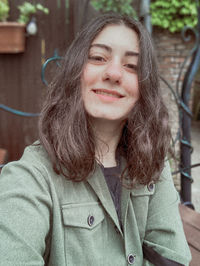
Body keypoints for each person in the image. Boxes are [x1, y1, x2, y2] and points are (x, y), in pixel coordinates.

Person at [0, 13, 191, 266]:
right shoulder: (31, 176)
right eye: (98, 57)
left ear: (144, 88)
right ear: (76, 72)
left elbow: (171, 259)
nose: (113, 73)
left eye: (131, 66)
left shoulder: (154, 163)